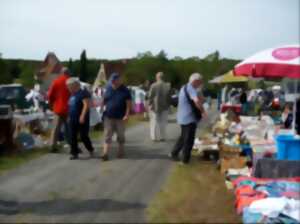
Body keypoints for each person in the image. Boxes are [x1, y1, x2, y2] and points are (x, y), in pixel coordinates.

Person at [170, 73, 206, 164]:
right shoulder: (191, 88)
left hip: (183, 117)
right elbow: (197, 101)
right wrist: (203, 111)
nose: (200, 84)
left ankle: (174, 153)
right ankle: (185, 160)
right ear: (195, 81)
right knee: (188, 140)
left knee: (183, 137)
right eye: (199, 82)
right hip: (189, 118)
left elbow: (200, 99)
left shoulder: (184, 87)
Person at [101, 73, 132, 161]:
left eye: (115, 80)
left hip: (120, 117)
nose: (113, 82)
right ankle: (105, 153)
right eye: (112, 81)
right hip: (108, 116)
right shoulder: (108, 88)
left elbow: (128, 105)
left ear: (119, 80)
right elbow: (104, 99)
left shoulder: (125, 90)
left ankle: (121, 151)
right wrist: (101, 108)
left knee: (120, 135)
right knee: (107, 134)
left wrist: (127, 115)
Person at [66, 78, 95, 160]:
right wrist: (68, 116)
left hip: (82, 118)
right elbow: (70, 106)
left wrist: (82, 115)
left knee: (83, 136)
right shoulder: (72, 95)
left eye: (69, 86)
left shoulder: (83, 93)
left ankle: (90, 149)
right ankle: (74, 153)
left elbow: (86, 105)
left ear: (74, 85)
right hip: (72, 118)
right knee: (72, 136)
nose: (68, 88)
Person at [48, 67, 71, 153]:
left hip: (58, 108)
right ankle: (71, 146)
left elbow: (50, 95)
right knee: (69, 128)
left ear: (61, 73)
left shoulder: (56, 81)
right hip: (69, 108)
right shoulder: (71, 82)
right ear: (68, 73)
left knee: (55, 128)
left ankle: (52, 146)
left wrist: (51, 104)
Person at [148, 72, 171, 141]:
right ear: (163, 77)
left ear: (157, 77)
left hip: (155, 106)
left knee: (154, 122)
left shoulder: (153, 85)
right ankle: (162, 137)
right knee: (163, 122)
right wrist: (169, 105)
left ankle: (154, 137)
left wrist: (149, 104)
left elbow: (150, 96)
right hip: (165, 106)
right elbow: (169, 97)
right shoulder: (168, 85)